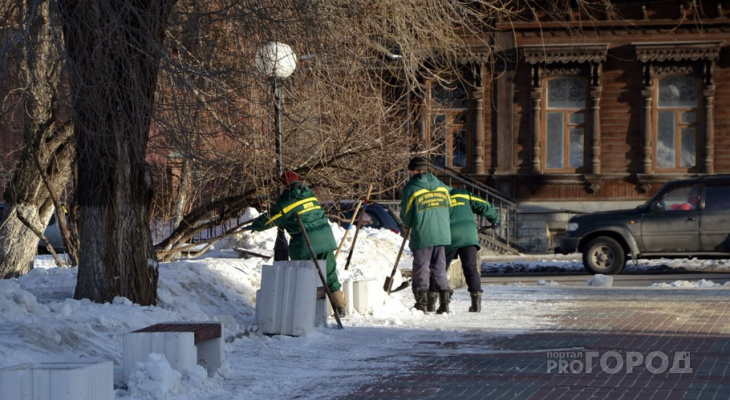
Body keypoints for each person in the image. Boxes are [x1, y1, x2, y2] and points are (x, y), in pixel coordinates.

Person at [250, 171, 347, 317]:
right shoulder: (308, 194)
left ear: (284, 185)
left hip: (306, 242)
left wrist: (255, 225)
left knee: (303, 275)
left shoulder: (288, 200)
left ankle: (304, 310)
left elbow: (271, 218)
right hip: (326, 238)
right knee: (330, 274)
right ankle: (339, 306)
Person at [428, 189, 500, 313]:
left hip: (449, 235)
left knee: (440, 267)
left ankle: (431, 302)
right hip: (468, 235)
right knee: (470, 267)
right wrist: (495, 220)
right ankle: (476, 303)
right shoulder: (462, 194)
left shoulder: (437, 197)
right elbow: (485, 205)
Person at [399, 156, 452, 314]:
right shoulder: (442, 187)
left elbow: (406, 214)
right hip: (442, 233)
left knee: (421, 267)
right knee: (439, 267)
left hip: (424, 234)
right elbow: (448, 208)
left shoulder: (412, 188)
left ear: (415, 170)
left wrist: (407, 223)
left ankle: (421, 302)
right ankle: (444, 304)